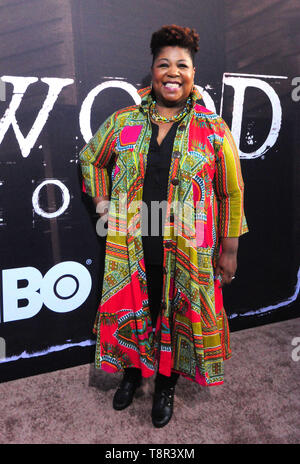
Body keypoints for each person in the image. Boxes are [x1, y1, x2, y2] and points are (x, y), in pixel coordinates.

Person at [79, 24, 248, 428]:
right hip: (132, 246)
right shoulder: (123, 121)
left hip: (187, 248)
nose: (173, 73)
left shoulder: (213, 130)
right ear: (153, 70)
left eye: (182, 65)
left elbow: (231, 191)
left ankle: (167, 384)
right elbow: (91, 159)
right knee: (138, 310)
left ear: (193, 73)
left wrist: (229, 250)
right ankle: (133, 374)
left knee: (175, 316)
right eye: (164, 64)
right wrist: (104, 202)